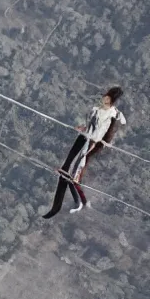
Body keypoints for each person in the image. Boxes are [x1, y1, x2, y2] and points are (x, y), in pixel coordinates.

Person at [43, 86, 126, 218]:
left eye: (108, 99)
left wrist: (116, 114)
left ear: (111, 101)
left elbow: (105, 130)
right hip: (82, 138)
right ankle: (58, 206)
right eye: (105, 96)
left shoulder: (111, 114)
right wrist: (84, 128)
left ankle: (78, 203)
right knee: (65, 169)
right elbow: (91, 125)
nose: (104, 99)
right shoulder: (97, 109)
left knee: (70, 174)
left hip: (90, 141)